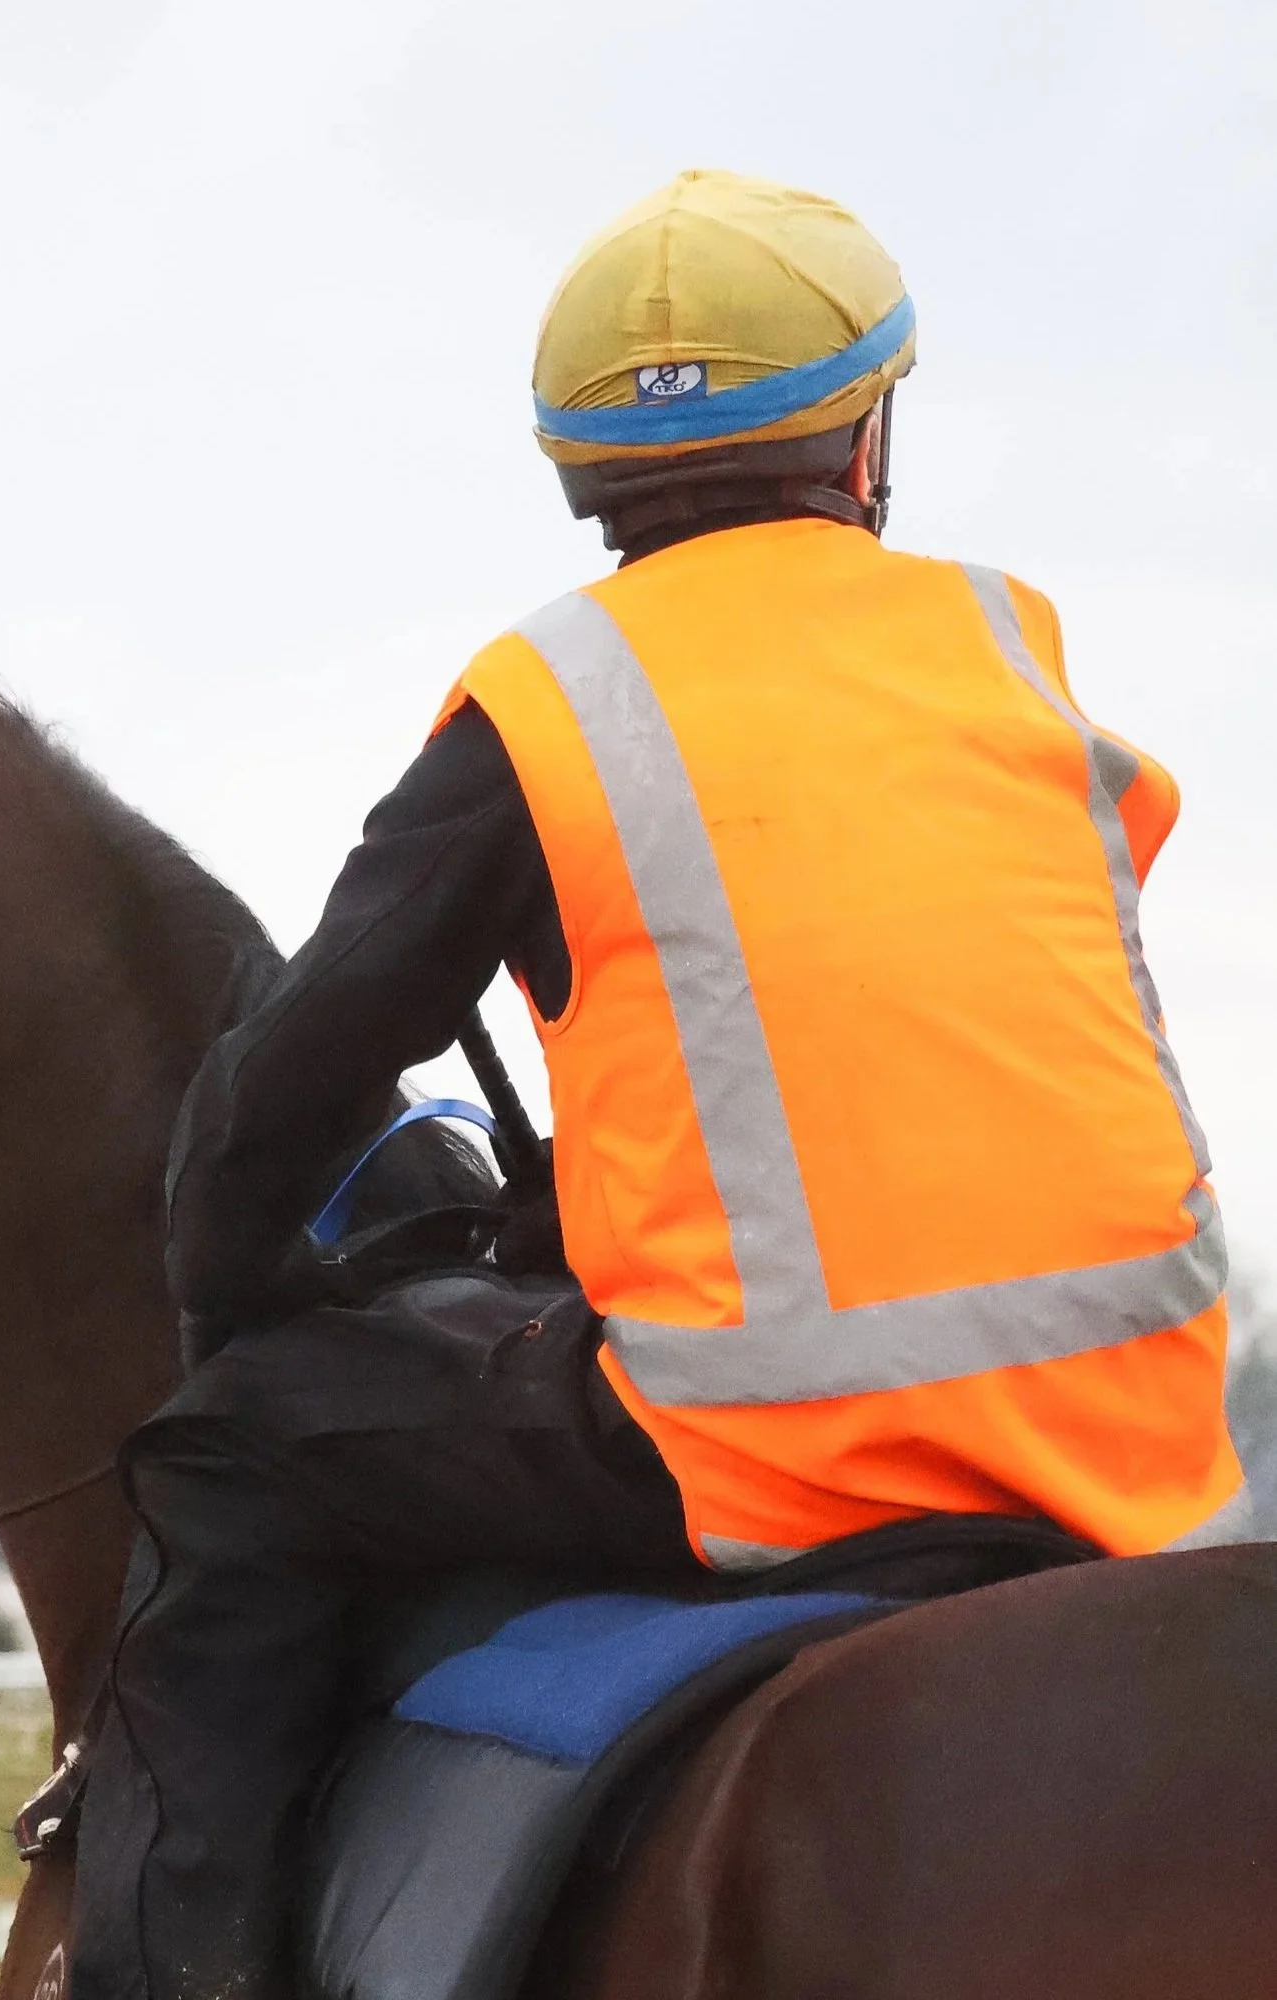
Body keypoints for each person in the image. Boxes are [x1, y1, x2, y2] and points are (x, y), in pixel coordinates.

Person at [63, 167, 1247, 2000]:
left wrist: (239, 1306)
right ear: (866, 437)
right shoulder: (1017, 653)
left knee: (230, 1460)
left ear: (581, 468)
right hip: (1139, 1428)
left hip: (768, 1443)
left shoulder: (548, 703)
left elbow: (288, 1085)